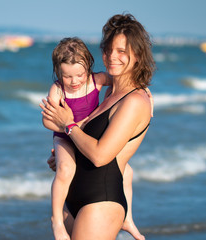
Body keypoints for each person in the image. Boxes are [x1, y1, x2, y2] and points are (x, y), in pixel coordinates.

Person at [40, 13, 155, 240]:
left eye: (122, 51)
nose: (112, 56)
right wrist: (66, 156)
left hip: (101, 201)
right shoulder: (110, 93)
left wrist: (68, 125)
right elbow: (86, 141)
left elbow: (101, 155)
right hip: (73, 201)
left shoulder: (134, 100)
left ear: (138, 54)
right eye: (108, 49)